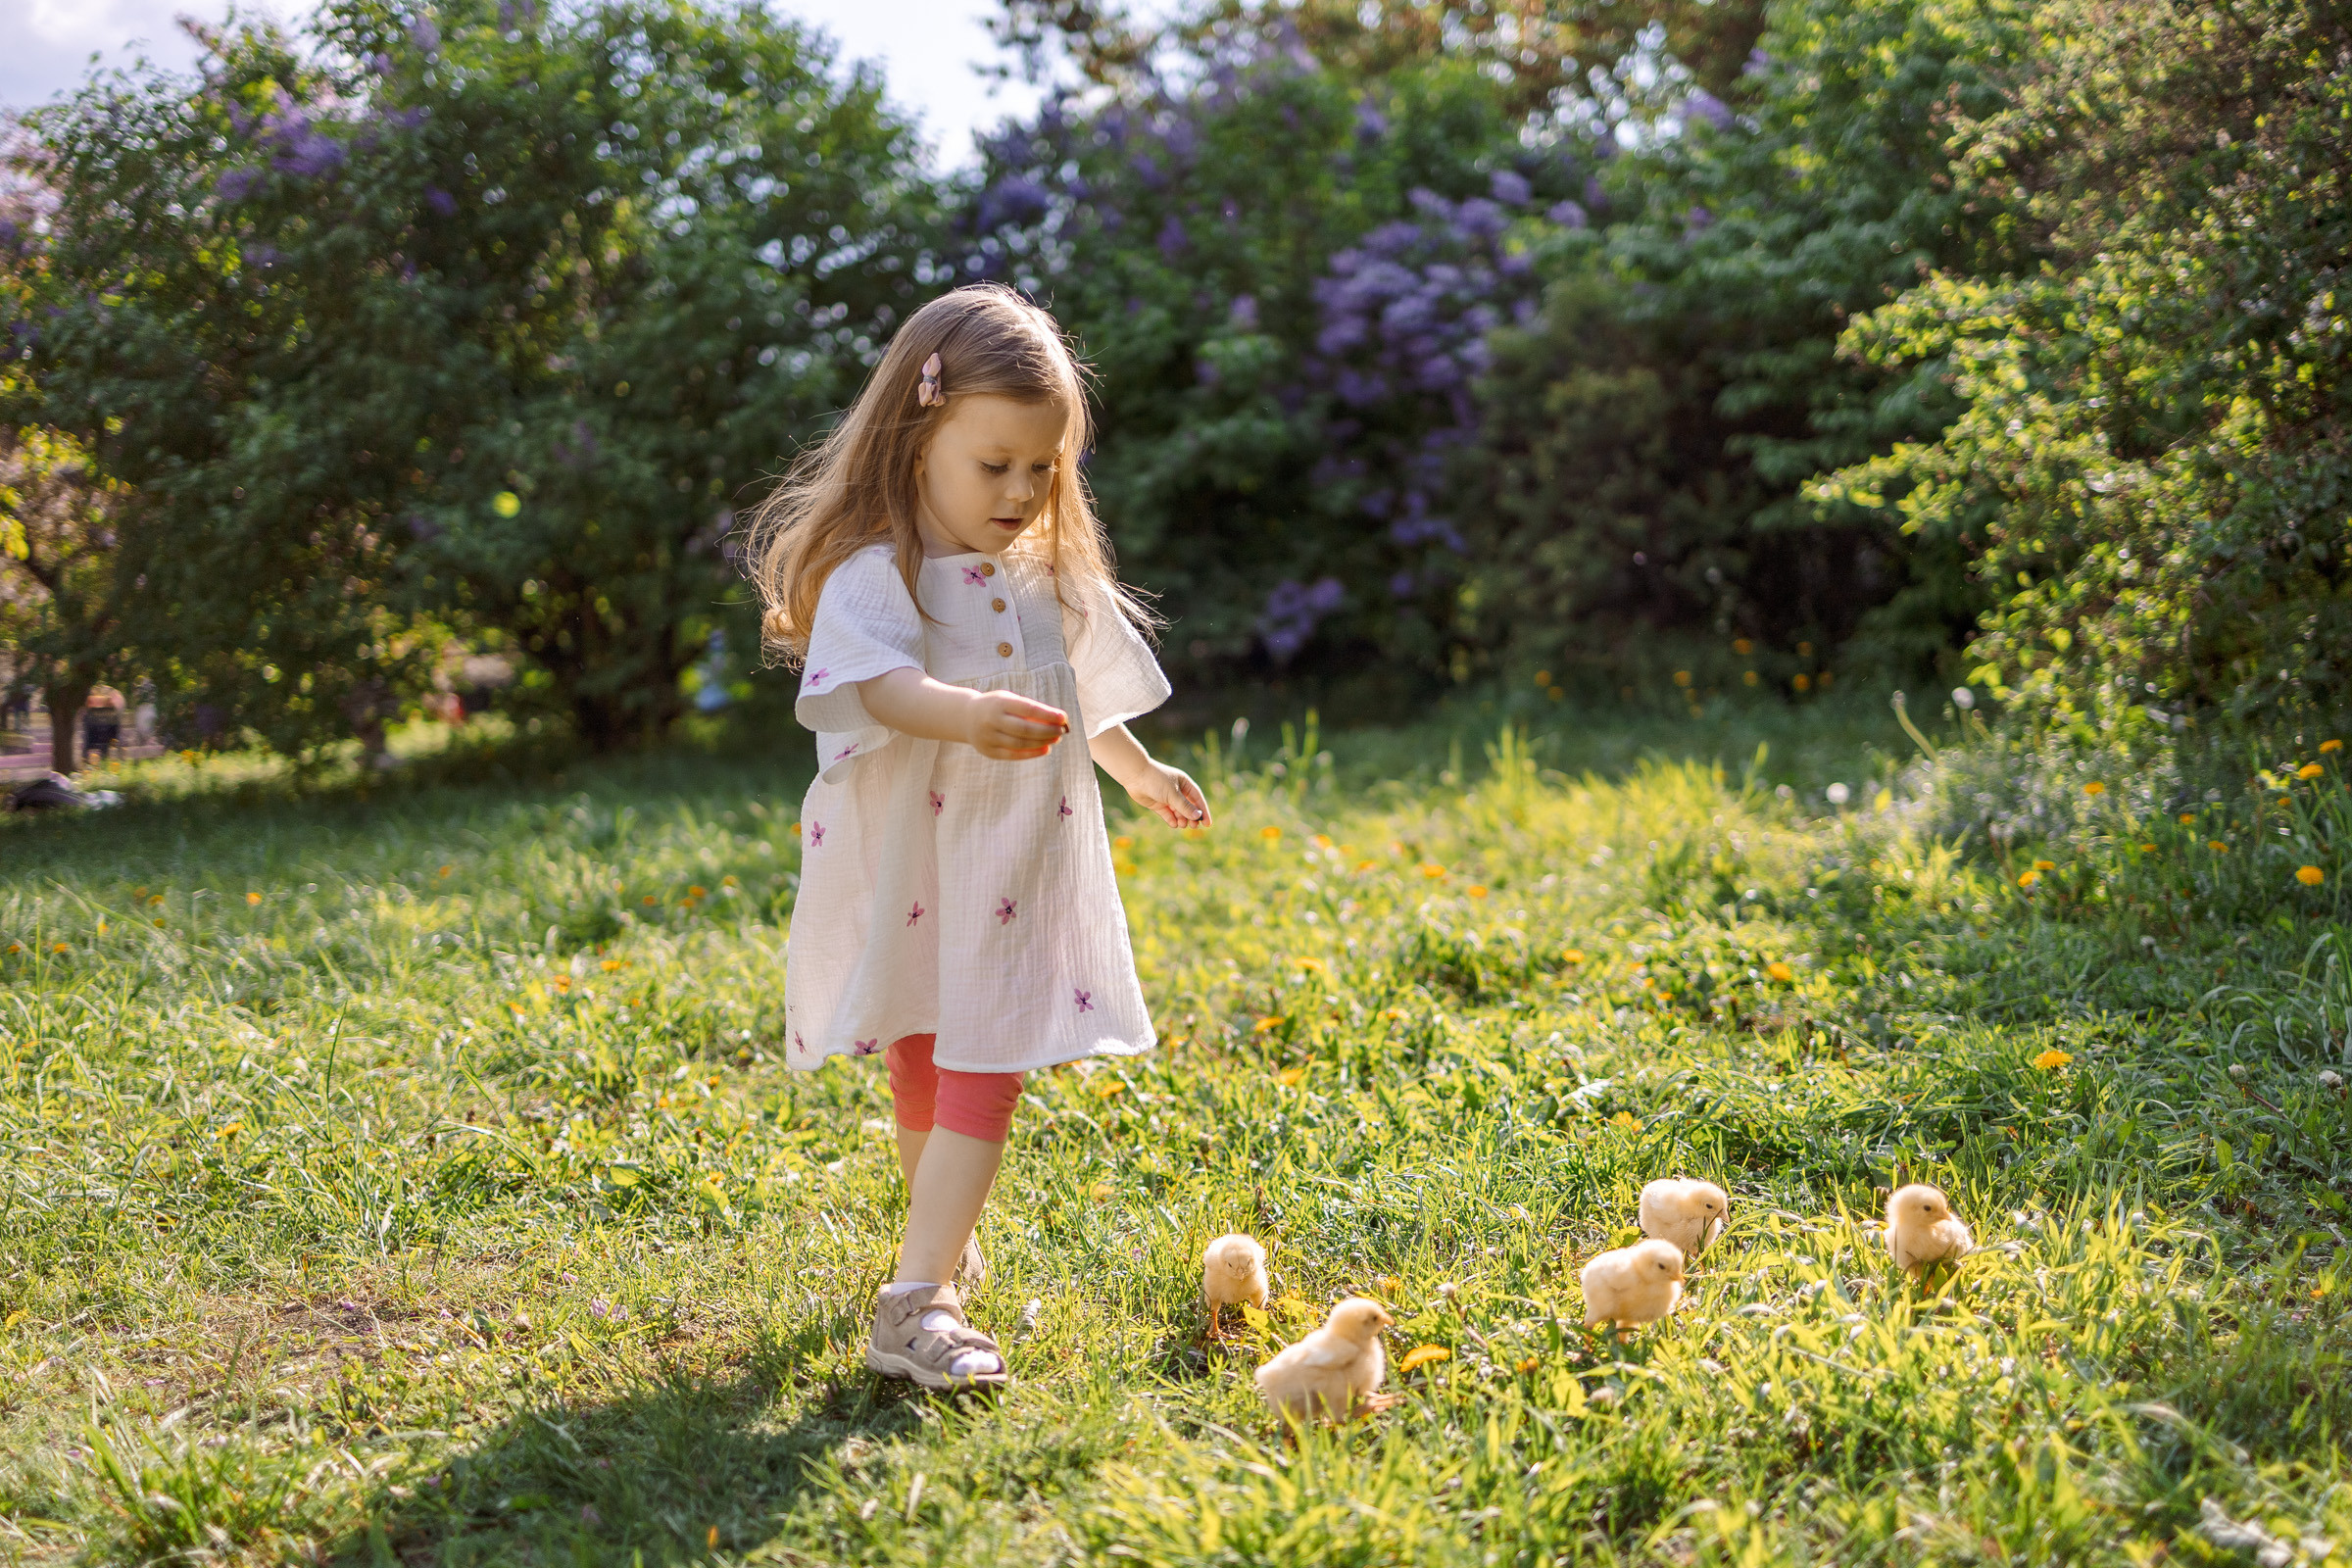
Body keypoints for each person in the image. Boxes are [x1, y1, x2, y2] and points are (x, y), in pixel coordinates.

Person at [746, 284, 1212, 1391]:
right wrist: (961, 713)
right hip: (920, 864)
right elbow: (876, 683)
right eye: (992, 463)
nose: (1020, 491)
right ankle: (920, 1293)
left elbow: (1076, 701)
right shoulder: (883, 574)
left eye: (1041, 468)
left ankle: (925, 1276)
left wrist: (1140, 769)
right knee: (924, 1048)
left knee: (983, 1062)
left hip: (1016, 862)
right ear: (917, 443)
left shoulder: (1041, 578)